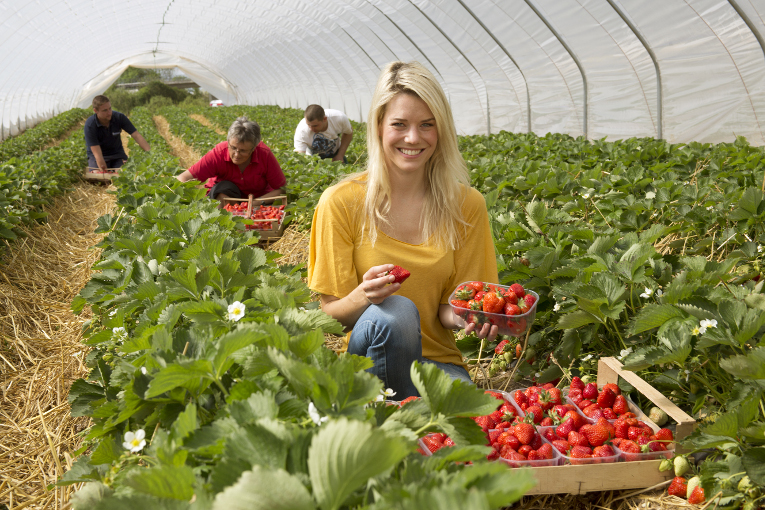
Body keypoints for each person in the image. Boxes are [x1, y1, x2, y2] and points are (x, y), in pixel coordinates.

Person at [307, 61, 499, 398]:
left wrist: (468, 317)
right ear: (379, 126)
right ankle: (391, 413)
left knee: (477, 431)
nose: (413, 137)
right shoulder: (341, 202)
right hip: (368, 363)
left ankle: (405, 422)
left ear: (441, 130)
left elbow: (445, 310)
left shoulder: (466, 206)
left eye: (427, 124)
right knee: (395, 312)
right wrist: (363, 296)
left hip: (439, 365)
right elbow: (331, 318)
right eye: (400, 124)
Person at [176, 117, 286, 208]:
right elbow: (183, 178)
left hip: (257, 203)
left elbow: (281, 189)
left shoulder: (264, 154)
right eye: (233, 148)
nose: (236, 154)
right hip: (223, 198)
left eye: (243, 151)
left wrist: (257, 202)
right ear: (228, 141)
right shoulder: (218, 154)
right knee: (224, 189)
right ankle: (223, 223)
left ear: (253, 149)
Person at [84, 95, 150, 173]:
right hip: (98, 156)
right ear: (95, 111)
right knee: (98, 175)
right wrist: (104, 171)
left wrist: (150, 153)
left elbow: (136, 135)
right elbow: (97, 153)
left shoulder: (119, 117)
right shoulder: (90, 125)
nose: (109, 113)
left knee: (123, 173)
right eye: (105, 110)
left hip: (117, 155)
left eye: (110, 108)